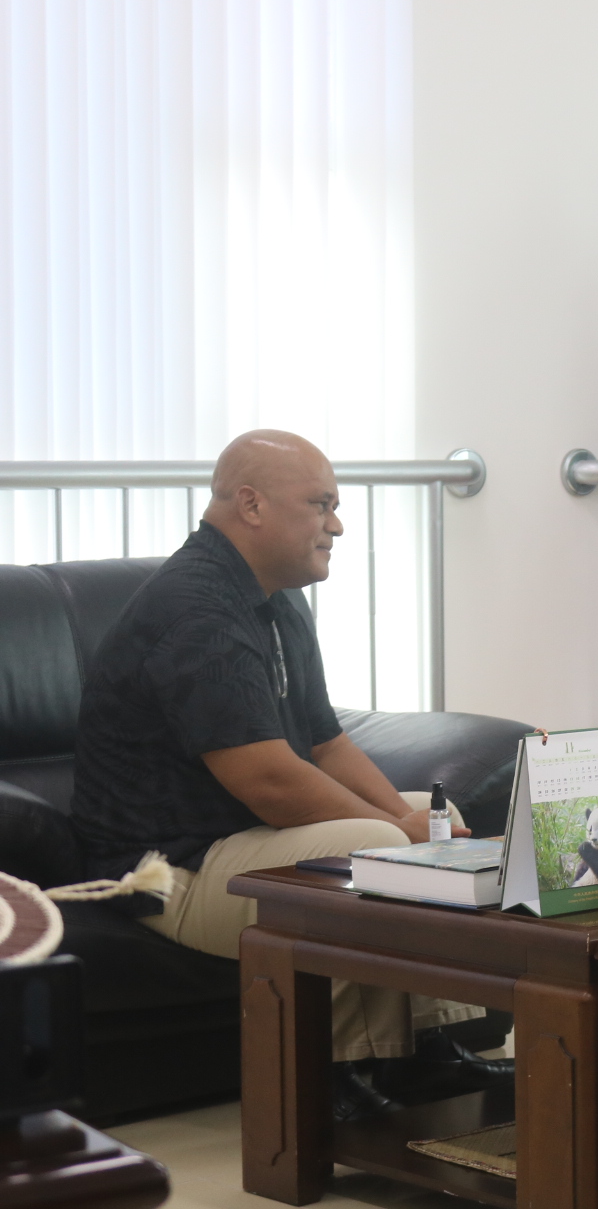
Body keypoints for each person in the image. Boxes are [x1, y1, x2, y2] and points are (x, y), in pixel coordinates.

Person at [69, 430, 509, 1120]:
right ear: (251, 504)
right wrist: (395, 829)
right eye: (321, 504)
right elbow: (268, 780)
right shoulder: (197, 610)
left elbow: (325, 742)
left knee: (431, 817)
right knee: (382, 847)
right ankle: (328, 1086)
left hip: (240, 844)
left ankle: (427, 1050)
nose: (336, 524)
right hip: (171, 873)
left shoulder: (275, 598)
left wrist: (412, 815)